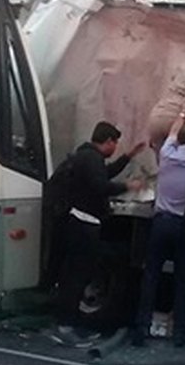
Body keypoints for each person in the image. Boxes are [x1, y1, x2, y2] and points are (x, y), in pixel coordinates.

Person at [132, 106, 185, 347]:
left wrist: (184, 112)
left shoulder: (167, 155)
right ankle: (179, 335)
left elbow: (173, 132)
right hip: (184, 227)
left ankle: (140, 330)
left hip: (161, 224)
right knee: (182, 281)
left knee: (151, 276)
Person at [58, 121, 144, 316]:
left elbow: (106, 173)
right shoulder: (92, 159)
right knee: (79, 273)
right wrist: (127, 186)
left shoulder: (87, 156)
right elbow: (101, 186)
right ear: (108, 141)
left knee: (75, 272)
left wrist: (128, 156)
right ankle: (69, 318)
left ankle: (66, 314)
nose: (115, 149)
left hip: (79, 222)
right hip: (85, 224)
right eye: (115, 144)